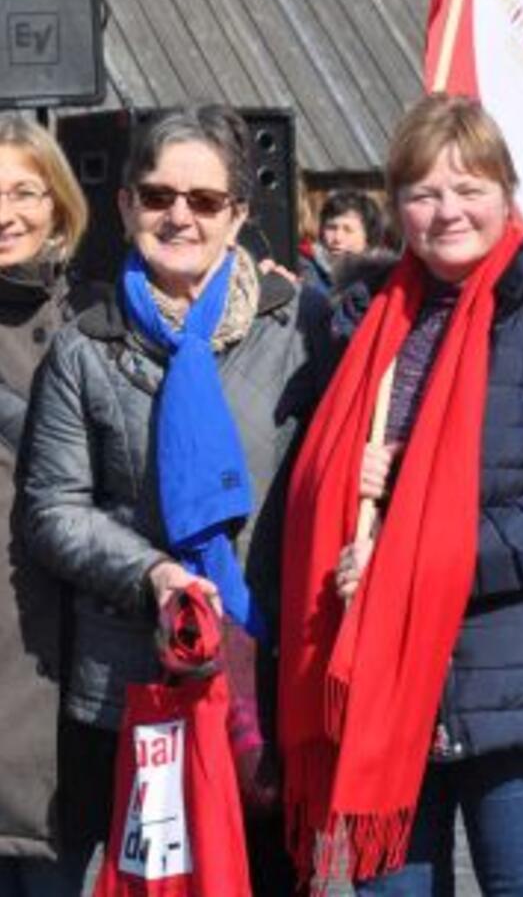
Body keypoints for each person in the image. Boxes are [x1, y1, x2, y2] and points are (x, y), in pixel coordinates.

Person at [280, 93, 523, 896]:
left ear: (507, 194)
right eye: (423, 193)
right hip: (381, 686)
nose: (447, 212)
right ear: (395, 206)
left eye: (469, 188)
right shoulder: (366, 323)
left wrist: (402, 554)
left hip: (518, 680)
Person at [18, 104, 332, 894]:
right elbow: (54, 508)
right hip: (132, 681)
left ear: (239, 214)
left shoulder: (300, 327)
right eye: (158, 196)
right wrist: (152, 573)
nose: (179, 217)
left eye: (204, 200)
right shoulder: (87, 344)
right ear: (127, 206)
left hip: (265, 677)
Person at [0, 119, 90, 896]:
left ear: (59, 205)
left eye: (24, 192)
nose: (6, 215)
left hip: (67, 679)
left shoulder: (96, 324)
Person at [300, 189, 384, 292]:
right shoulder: (306, 272)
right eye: (331, 228)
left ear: (368, 236)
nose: (337, 238)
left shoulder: (384, 280)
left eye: (348, 230)